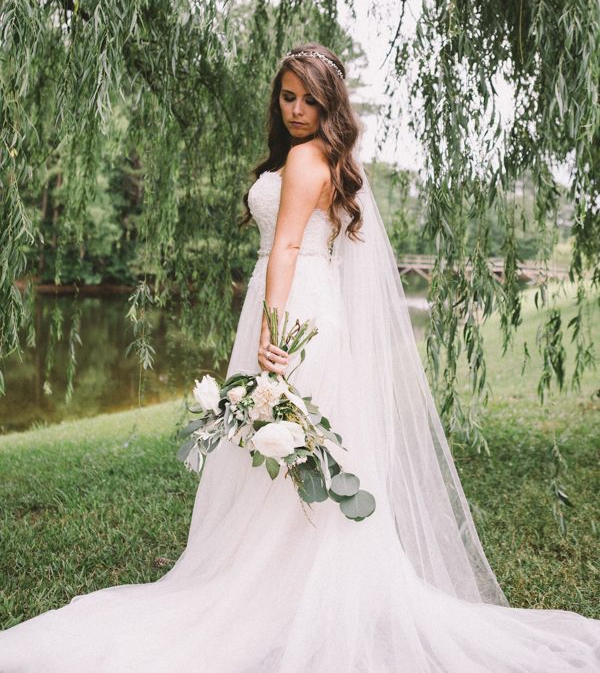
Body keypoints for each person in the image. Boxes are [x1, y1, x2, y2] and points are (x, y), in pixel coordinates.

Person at [1, 43, 599, 672]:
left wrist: (273, 330)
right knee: (285, 438)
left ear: (329, 102)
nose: (296, 108)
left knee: (287, 430)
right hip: (294, 298)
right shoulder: (312, 158)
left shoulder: (310, 158)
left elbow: (286, 246)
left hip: (292, 307)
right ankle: (272, 569)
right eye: (288, 96)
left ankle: (284, 582)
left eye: (309, 99)